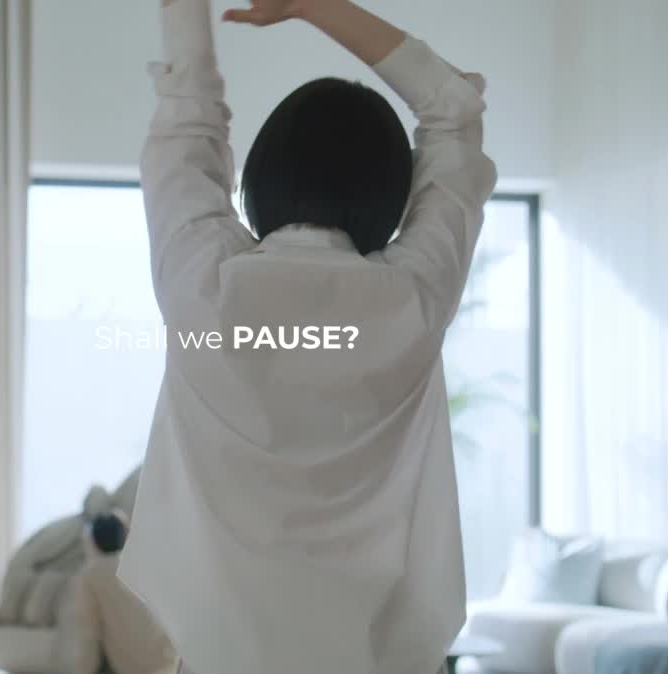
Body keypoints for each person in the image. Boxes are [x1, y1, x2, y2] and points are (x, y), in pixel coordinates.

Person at [116, 1, 497, 673]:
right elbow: (455, 112)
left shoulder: (202, 287)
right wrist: (315, 8)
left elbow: (186, 124)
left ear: (263, 176)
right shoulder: (413, 299)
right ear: (392, 193)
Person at [68, 513, 176, 674]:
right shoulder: (143, 560)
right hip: (175, 660)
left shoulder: (90, 576)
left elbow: (88, 637)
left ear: (93, 543)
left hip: (141, 668)